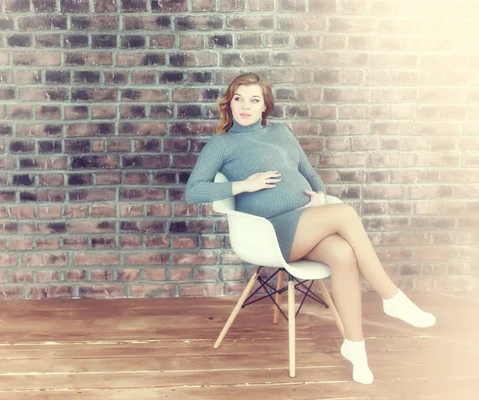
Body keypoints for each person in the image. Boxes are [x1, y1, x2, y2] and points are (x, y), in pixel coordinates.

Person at [184, 72, 436, 385]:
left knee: (343, 253)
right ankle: (392, 297)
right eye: (238, 98)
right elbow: (193, 191)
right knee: (344, 213)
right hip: (271, 234)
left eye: (254, 100)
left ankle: (355, 347)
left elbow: (309, 172)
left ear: (265, 107)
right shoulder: (221, 145)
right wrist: (243, 185)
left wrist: (318, 198)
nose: (245, 106)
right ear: (229, 103)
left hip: (303, 223)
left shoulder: (280, 132)